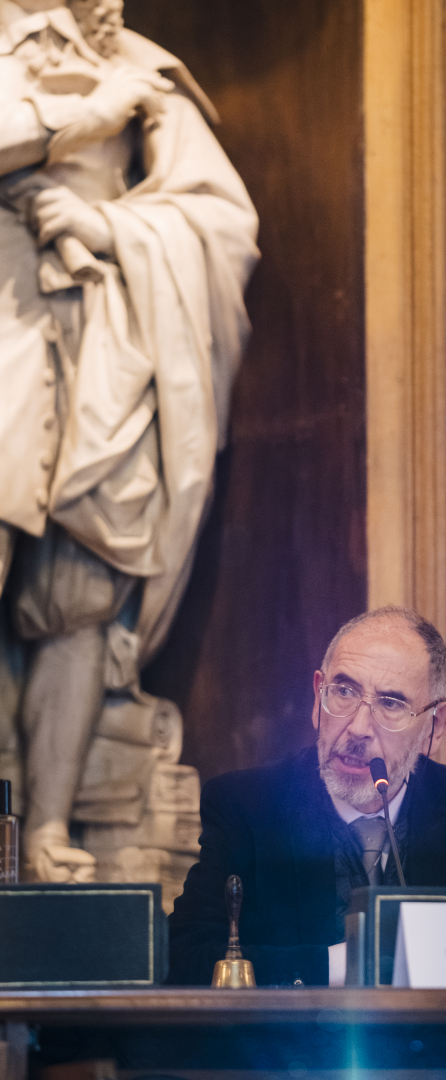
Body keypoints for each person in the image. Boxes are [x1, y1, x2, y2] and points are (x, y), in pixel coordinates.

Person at [0, 0, 259, 880]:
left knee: (79, 592)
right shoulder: (103, 85)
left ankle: (46, 829)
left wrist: (110, 225)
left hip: (102, 349)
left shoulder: (144, 70)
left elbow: (220, 221)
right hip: (3, 334)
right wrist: (85, 118)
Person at [168, 607, 446, 986]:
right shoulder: (247, 806)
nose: (358, 727)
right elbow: (185, 957)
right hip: (298, 1044)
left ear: (436, 726)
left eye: (391, 703)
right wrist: (339, 965)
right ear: (319, 698)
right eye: (345, 692)